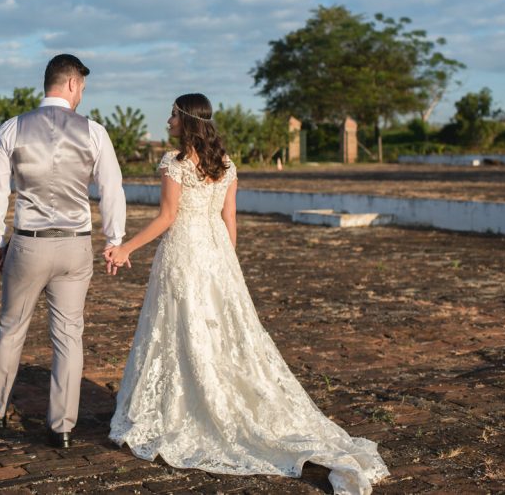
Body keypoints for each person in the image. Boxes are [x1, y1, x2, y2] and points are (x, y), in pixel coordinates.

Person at [105, 93, 389, 495]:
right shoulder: (226, 165)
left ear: (185, 120)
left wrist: (126, 248)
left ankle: (188, 405)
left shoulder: (175, 163)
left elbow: (167, 217)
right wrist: (228, 264)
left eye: (172, 114)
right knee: (216, 328)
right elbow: (229, 218)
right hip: (217, 253)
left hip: (185, 252)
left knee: (179, 328)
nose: (167, 120)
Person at [0, 54, 127, 449]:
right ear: (72, 84)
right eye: (82, 87)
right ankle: (61, 426)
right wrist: (114, 239)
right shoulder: (94, 132)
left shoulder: (13, 128)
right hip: (75, 245)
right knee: (69, 336)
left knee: (11, 328)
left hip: (28, 243)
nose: (82, 94)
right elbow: (111, 190)